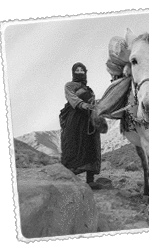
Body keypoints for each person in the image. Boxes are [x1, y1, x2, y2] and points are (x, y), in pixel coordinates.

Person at [60, 62, 103, 190]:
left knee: (91, 146)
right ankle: (70, 178)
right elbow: (72, 98)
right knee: (74, 145)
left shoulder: (90, 90)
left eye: (82, 70)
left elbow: (93, 103)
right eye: (77, 70)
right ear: (73, 72)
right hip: (75, 119)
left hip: (89, 119)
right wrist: (83, 105)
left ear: (85, 72)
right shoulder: (69, 85)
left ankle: (90, 180)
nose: (79, 72)